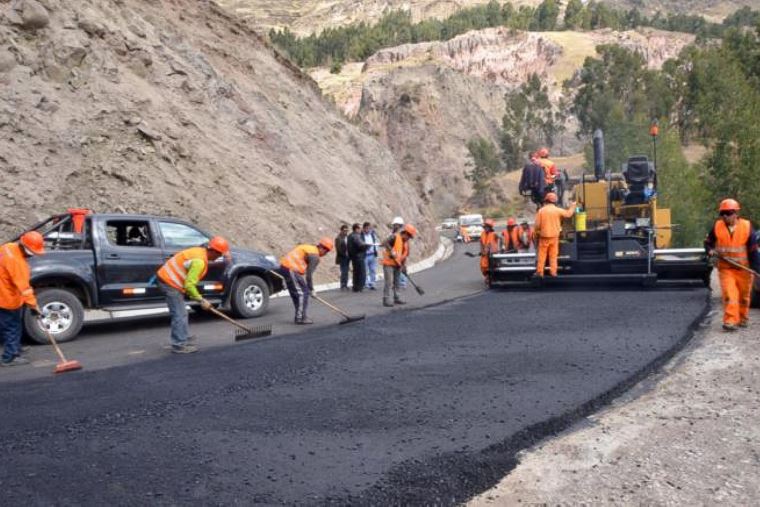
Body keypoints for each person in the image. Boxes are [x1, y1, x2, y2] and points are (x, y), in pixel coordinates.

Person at [157, 236, 231, 353]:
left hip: (168, 279)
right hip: (169, 282)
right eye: (219, 255)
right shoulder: (199, 262)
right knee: (179, 314)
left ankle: (183, 337)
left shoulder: (200, 252)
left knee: (182, 313)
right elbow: (189, 285)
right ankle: (179, 345)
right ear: (213, 251)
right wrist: (201, 300)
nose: (219, 257)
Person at [704, 199, 760, 331]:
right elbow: (707, 242)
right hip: (726, 269)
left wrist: (756, 269)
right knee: (730, 295)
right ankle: (730, 321)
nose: (725, 216)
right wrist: (710, 250)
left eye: (728, 213)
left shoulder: (747, 227)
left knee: (743, 297)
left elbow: (753, 251)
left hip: (743, 269)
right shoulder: (717, 226)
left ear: (736, 213)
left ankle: (742, 318)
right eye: (722, 213)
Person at [0, 231, 45, 366]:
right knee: (11, 327)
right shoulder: (17, 263)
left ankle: (16, 347)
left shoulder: (8, 247)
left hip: (4, 292)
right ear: (27, 249)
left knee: (12, 324)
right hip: (6, 298)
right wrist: (34, 306)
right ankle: (10, 357)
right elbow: (24, 289)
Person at [278, 238, 333, 324]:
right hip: (291, 270)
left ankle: (300, 315)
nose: (325, 254)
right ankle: (300, 318)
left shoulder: (309, 248)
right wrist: (312, 289)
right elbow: (309, 275)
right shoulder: (315, 256)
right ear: (323, 248)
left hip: (286, 268)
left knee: (302, 292)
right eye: (326, 252)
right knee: (302, 294)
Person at [534, 192, 575, 278]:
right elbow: (568, 214)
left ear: (546, 200)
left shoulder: (541, 211)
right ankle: (553, 273)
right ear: (554, 201)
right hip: (554, 237)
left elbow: (537, 226)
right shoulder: (557, 210)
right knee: (553, 256)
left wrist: (536, 236)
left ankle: (540, 273)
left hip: (544, 237)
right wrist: (573, 206)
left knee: (542, 255)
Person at [382, 224, 417, 307]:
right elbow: (384, 242)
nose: (408, 238)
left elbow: (404, 255)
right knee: (389, 282)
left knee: (397, 282)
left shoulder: (406, 243)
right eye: (409, 236)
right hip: (389, 263)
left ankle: (397, 298)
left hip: (398, 264)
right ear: (405, 233)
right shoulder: (395, 237)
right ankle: (386, 299)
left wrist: (403, 266)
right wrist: (391, 251)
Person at [347, 223, 367, 292]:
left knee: (356, 272)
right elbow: (361, 245)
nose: (361, 230)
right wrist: (367, 246)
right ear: (356, 229)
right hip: (359, 256)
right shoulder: (356, 236)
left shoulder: (350, 236)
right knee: (361, 272)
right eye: (359, 228)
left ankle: (355, 286)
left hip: (353, 257)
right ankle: (360, 287)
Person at [390, 216, 408, 288]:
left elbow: (405, 246)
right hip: (395, 253)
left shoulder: (402, 234)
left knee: (401, 267)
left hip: (401, 253)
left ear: (399, 225)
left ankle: (402, 282)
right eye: (394, 225)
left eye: (395, 225)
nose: (394, 226)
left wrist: (402, 256)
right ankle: (396, 283)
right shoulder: (394, 233)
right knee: (395, 268)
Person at [480, 219, 499, 283]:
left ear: (490, 227)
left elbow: (500, 239)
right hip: (485, 253)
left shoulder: (494, 234)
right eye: (485, 226)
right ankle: (487, 276)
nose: (485, 228)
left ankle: (490, 277)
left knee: (492, 266)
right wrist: (482, 251)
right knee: (483, 266)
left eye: (487, 226)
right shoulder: (482, 234)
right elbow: (481, 243)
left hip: (493, 254)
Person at [362, 222, 379, 290]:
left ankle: (373, 283)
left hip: (372, 254)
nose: (368, 230)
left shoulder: (372, 235)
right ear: (364, 228)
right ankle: (366, 283)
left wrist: (376, 251)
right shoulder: (361, 236)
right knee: (365, 270)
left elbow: (375, 243)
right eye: (367, 228)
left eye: (369, 228)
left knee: (373, 270)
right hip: (365, 255)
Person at [334, 225, 350, 290]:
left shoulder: (347, 237)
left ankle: (345, 284)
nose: (346, 232)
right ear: (341, 230)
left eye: (346, 230)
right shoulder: (338, 238)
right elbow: (338, 249)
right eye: (344, 230)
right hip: (342, 257)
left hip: (348, 257)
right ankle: (343, 284)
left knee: (346, 271)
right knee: (344, 271)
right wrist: (344, 254)